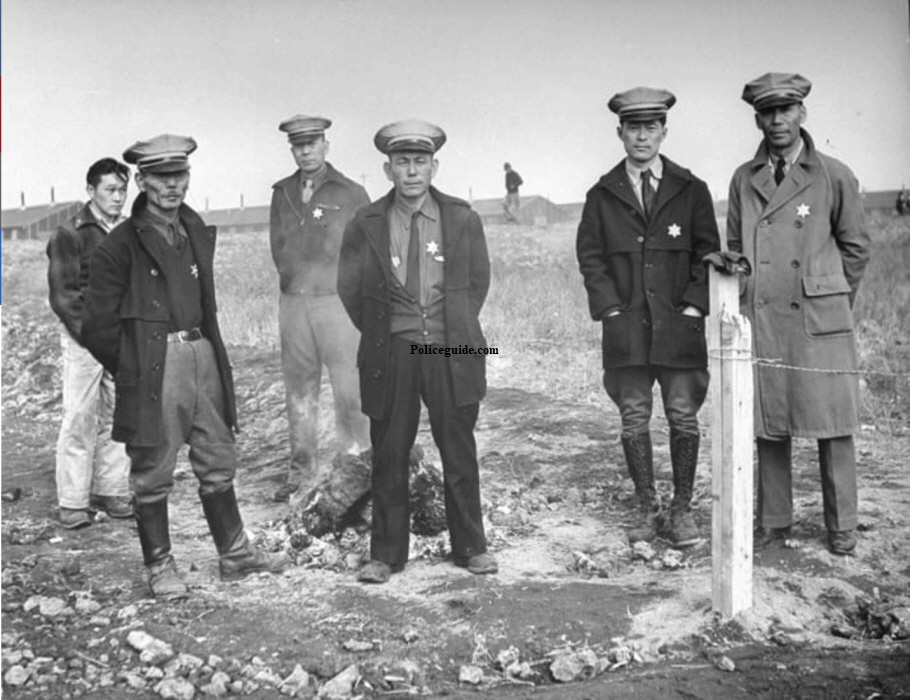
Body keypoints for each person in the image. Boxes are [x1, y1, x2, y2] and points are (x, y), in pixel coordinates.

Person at [81, 134, 289, 597]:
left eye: (180, 175)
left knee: (218, 456)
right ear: (141, 179)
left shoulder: (194, 230)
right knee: (153, 467)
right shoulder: (119, 246)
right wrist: (134, 365)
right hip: (155, 365)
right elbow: (95, 325)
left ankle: (235, 554)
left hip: (203, 354)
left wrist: (204, 355)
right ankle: (159, 566)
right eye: (160, 176)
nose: (172, 185)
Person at [338, 120, 497, 583]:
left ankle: (471, 546)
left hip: (450, 351)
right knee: (389, 451)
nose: (412, 171)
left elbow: (477, 284)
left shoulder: (462, 218)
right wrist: (386, 334)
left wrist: (454, 328)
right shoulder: (366, 223)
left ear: (435, 166)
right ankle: (386, 554)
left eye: (420, 162)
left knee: (458, 448)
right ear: (388, 169)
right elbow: (350, 288)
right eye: (403, 162)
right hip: (394, 353)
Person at [726, 73, 870, 556]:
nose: (777, 121)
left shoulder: (833, 174)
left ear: (802, 114)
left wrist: (828, 295)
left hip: (819, 321)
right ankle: (775, 520)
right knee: (770, 421)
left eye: (785, 110)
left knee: (833, 424)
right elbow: (734, 246)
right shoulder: (744, 180)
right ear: (757, 119)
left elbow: (856, 247)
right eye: (767, 113)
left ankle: (842, 525)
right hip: (764, 317)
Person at [576, 87, 720, 548]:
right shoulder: (602, 195)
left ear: (664, 131)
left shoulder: (691, 190)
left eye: (650, 127)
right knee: (634, 419)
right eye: (633, 127)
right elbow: (591, 257)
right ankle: (645, 505)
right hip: (627, 330)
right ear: (620, 132)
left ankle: (681, 509)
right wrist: (611, 310)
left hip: (680, 327)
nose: (642, 136)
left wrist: (696, 305)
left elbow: (707, 253)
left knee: (683, 417)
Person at [269, 115, 371, 502]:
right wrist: (297, 287)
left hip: (338, 304)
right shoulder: (283, 193)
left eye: (313, 143)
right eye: (299, 145)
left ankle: (357, 460)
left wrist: (345, 294)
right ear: (292, 149)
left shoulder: (351, 192)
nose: (306, 150)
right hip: (295, 304)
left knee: (350, 385)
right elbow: (277, 248)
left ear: (326, 145)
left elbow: (364, 251)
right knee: (299, 391)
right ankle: (301, 472)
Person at [46, 158, 134, 529]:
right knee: (80, 416)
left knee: (119, 415)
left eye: (122, 190)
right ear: (90, 191)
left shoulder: (130, 231)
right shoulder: (70, 234)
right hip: (84, 341)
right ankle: (73, 501)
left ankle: (112, 489)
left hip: (122, 337)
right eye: (110, 190)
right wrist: (93, 337)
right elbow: (64, 297)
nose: (118, 197)